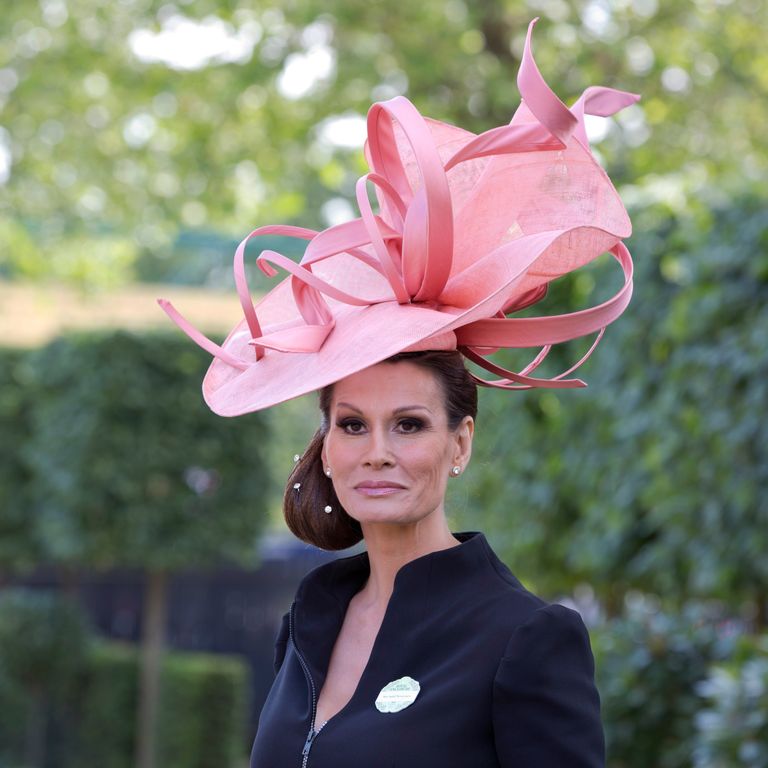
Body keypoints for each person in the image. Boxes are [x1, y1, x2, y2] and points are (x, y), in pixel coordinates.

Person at [159, 18, 638, 768]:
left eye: (408, 425)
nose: (376, 452)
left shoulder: (522, 639)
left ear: (461, 443)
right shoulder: (310, 619)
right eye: (352, 425)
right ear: (325, 442)